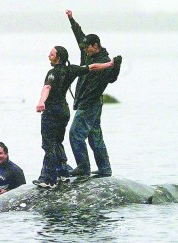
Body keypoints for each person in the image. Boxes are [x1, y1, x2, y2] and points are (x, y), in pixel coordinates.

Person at [33, 45, 121, 189]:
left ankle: (49, 179)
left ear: (58, 58)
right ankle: (63, 174)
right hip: (64, 111)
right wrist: (109, 64)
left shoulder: (52, 73)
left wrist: (41, 101)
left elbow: (47, 87)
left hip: (52, 112)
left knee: (49, 144)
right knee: (58, 142)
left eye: (52, 55)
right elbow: (92, 67)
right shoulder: (71, 69)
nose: (49, 56)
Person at [66, 10, 122, 178]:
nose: (85, 51)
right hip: (90, 102)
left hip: (90, 103)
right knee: (94, 136)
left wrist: (116, 66)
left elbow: (112, 79)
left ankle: (83, 167)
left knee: (75, 134)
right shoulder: (86, 50)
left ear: (95, 45)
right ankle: (105, 169)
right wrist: (71, 20)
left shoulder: (105, 60)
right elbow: (79, 35)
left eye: (88, 48)